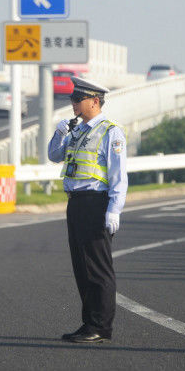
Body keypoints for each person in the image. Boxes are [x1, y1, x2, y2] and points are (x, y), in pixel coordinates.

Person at [48, 76, 128, 343]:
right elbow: (54, 156)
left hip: (96, 202)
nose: (73, 103)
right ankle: (89, 323)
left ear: (95, 101)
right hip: (76, 203)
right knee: (81, 266)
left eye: (77, 99)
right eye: (72, 98)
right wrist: (60, 133)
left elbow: (119, 175)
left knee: (98, 268)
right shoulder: (77, 130)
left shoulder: (110, 131)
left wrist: (114, 209)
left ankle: (101, 326)